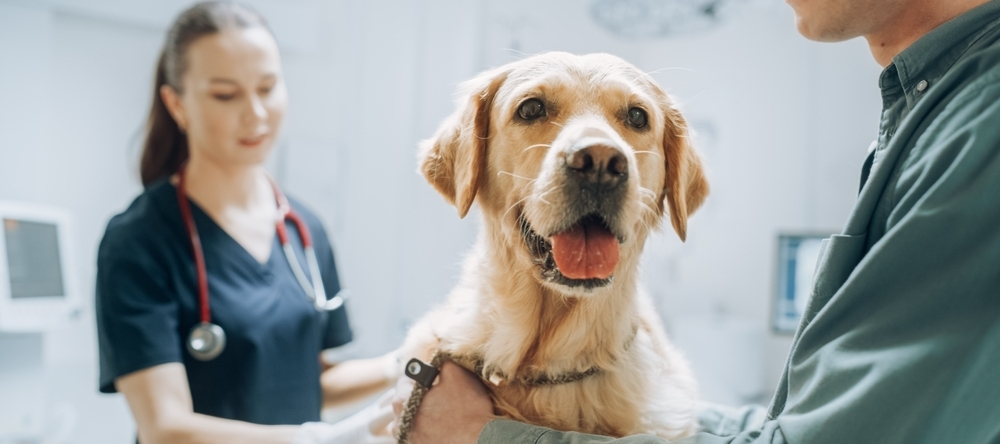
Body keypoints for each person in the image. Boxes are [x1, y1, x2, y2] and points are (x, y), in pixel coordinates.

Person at [391, 0, 1000, 442]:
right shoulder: (929, 104)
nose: (600, 155)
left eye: (634, 120)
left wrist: (483, 435)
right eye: (533, 110)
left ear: (668, 192)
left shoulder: (981, 124)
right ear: (476, 170)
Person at [95, 3, 398, 443]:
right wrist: (319, 440)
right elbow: (166, 427)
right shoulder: (139, 240)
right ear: (176, 104)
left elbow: (313, 382)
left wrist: (410, 360)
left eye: (268, 87)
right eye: (225, 94)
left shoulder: (303, 229)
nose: (256, 113)